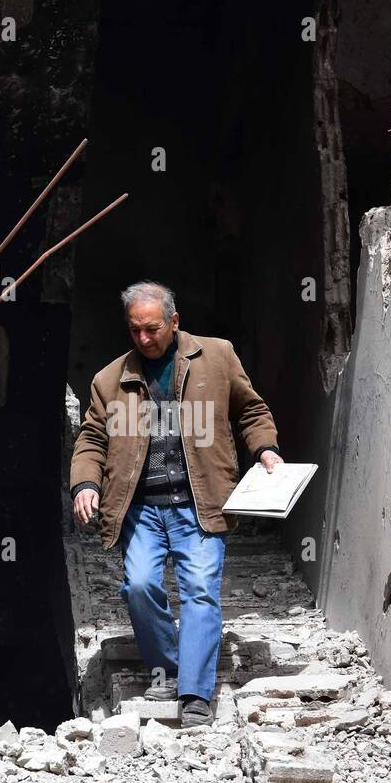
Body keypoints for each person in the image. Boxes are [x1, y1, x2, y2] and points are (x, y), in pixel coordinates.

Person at [70, 281, 282, 727]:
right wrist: (85, 484)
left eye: (153, 329)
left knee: (200, 591)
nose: (145, 339)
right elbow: (92, 437)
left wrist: (265, 449)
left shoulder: (217, 357)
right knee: (140, 586)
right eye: (135, 331)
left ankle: (194, 694)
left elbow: (251, 411)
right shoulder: (108, 381)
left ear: (174, 321)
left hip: (199, 501)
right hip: (141, 507)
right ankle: (165, 666)